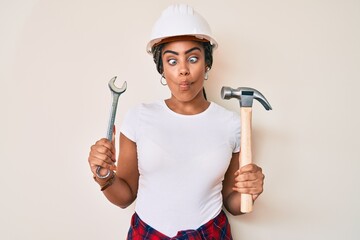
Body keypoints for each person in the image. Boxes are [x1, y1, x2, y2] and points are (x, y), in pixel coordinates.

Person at [88, 4, 264, 239]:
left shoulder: (232, 124)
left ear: (207, 63)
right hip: (148, 234)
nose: (183, 70)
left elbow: (232, 203)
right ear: (162, 68)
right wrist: (103, 176)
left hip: (209, 233)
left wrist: (249, 193)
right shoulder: (138, 117)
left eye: (193, 58)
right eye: (172, 61)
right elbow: (125, 197)